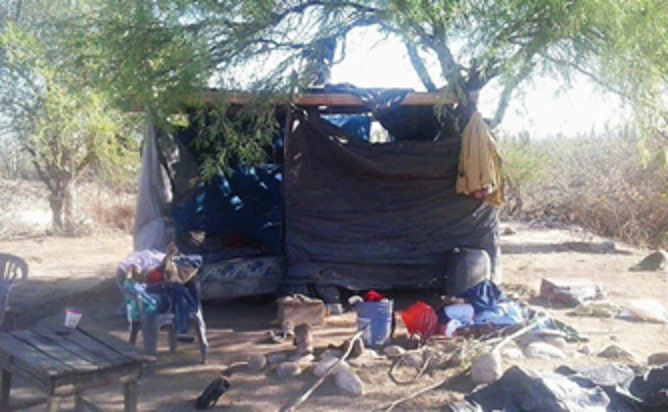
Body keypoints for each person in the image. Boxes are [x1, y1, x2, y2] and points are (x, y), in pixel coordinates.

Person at [117, 244, 202, 338]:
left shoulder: (156, 260)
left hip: (160, 289)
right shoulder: (135, 266)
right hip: (149, 292)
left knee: (180, 293)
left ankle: (181, 330)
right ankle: (192, 308)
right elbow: (136, 280)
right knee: (177, 288)